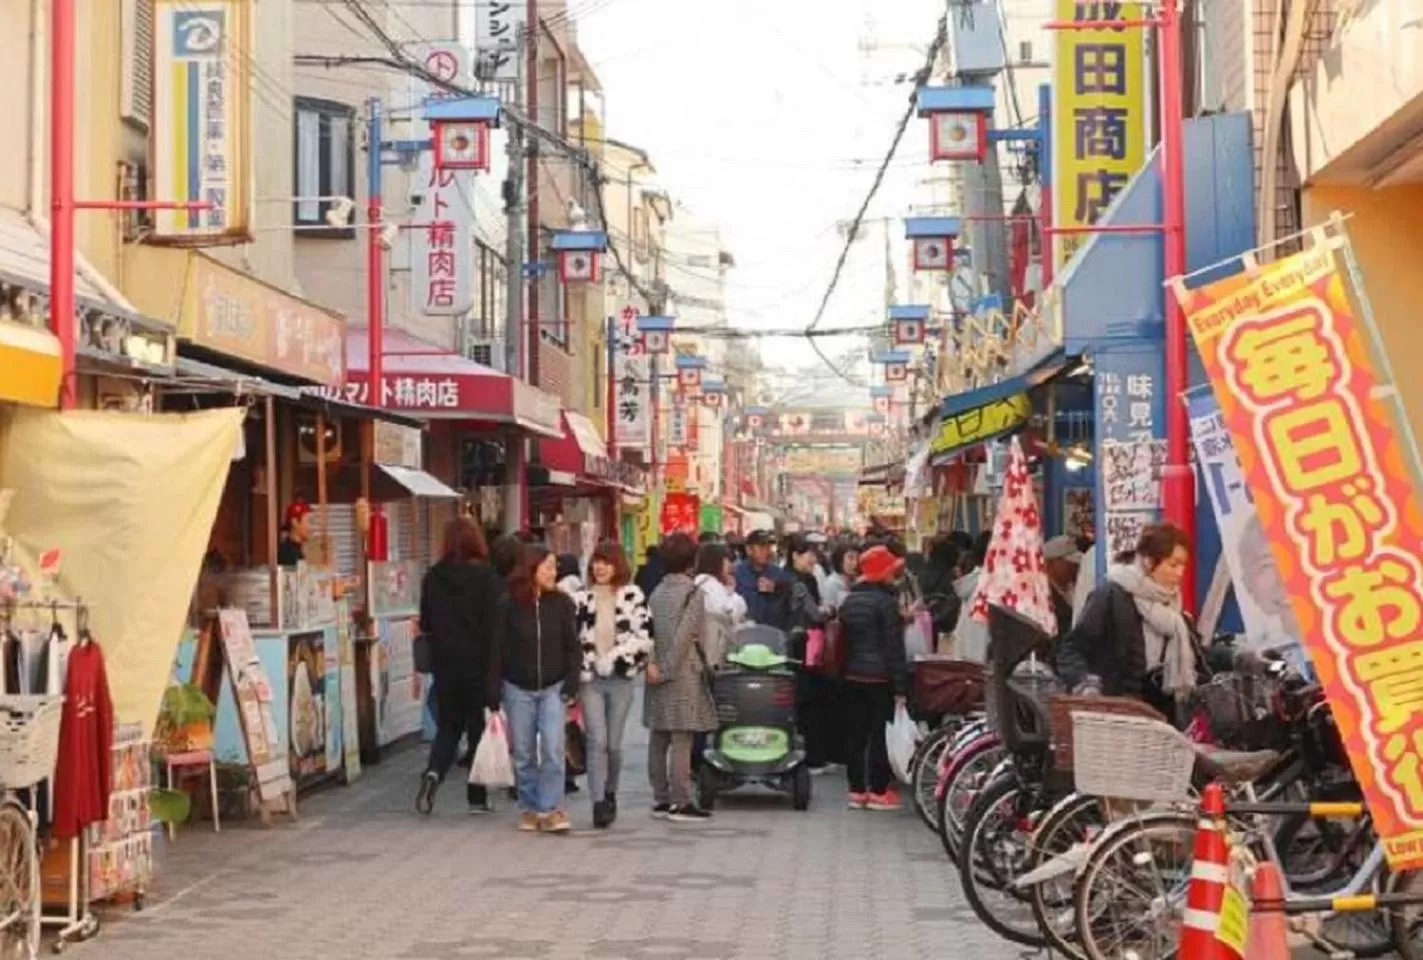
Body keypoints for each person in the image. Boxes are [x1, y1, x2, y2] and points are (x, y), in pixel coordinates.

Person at [1057, 523, 1198, 719]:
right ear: (1150, 562)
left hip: (1163, 718)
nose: (1180, 573)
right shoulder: (1111, 597)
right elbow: (1072, 649)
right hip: (1118, 714)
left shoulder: (1173, 606)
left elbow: (1197, 657)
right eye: (1173, 565)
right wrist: (1085, 684)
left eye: (1183, 565)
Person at [415, 518, 504, 815]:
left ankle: (433, 773)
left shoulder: (433, 577)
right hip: (478, 665)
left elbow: (426, 623)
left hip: (445, 665)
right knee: (477, 729)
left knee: (448, 727)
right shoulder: (488, 579)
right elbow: (495, 628)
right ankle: (476, 798)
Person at [500, 545, 582, 833]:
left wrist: (572, 682)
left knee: (553, 747)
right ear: (531, 569)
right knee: (522, 752)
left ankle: (550, 808)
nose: (553, 572)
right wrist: (492, 687)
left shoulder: (562, 604)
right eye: (547, 567)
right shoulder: (508, 605)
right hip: (516, 687)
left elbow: (573, 647)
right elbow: (497, 649)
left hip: (554, 685)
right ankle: (529, 806)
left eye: (554, 567)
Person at [573, 540, 653, 829]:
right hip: (591, 679)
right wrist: (590, 659)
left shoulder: (633, 596)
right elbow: (575, 637)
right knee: (597, 740)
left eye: (606, 561)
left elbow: (644, 636)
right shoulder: (581, 598)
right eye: (596, 561)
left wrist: (617, 657)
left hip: (621, 679)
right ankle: (597, 802)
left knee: (615, 745)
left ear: (617, 564)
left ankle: (610, 792)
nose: (600, 567)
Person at [643, 533, 718, 823]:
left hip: (654, 672)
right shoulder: (694, 595)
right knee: (682, 737)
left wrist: (652, 666)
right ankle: (681, 801)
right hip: (683, 673)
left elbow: (646, 634)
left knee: (658, 736)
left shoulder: (655, 593)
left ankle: (660, 798)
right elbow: (685, 636)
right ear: (691, 561)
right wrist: (668, 669)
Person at [836, 545, 909, 810]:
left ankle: (856, 791)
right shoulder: (886, 604)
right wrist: (901, 685)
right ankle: (878, 791)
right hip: (879, 678)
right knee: (879, 734)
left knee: (855, 734)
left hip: (852, 675)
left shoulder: (850, 600)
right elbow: (893, 647)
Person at [783, 534, 833, 771]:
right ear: (795, 555)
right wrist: (831, 610)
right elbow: (815, 614)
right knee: (807, 701)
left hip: (801, 646)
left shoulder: (798, 578)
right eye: (809, 554)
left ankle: (808, 754)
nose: (814, 559)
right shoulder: (798, 582)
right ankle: (809, 756)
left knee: (806, 701)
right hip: (801, 647)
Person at [733, 529, 796, 631]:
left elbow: (794, 589)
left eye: (768, 547)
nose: (766, 551)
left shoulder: (777, 572)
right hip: (745, 633)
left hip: (774, 633)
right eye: (761, 547)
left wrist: (776, 587)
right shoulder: (737, 573)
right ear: (749, 549)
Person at [1043, 535, 1084, 637]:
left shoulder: (1073, 590)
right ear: (1050, 563)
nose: (1074, 568)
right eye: (1068, 563)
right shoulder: (1043, 596)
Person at [821, 543, 859, 612]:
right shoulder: (831, 584)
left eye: (857, 558)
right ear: (840, 559)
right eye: (851, 558)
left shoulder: (856, 581)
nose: (855, 563)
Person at [278, 501, 312, 566]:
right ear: (295, 523)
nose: (311, 527)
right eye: (309, 521)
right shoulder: (288, 553)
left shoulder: (296, 549)